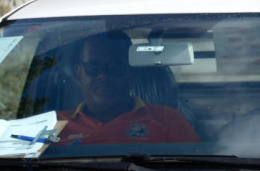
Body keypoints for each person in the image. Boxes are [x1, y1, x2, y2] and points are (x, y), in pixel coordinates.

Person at [56, 31, 199, 145]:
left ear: (132, 72)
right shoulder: (53, 124)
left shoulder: (168, 120)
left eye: (115, 67)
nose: (103, 75)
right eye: (93, 67)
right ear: (78, 73)